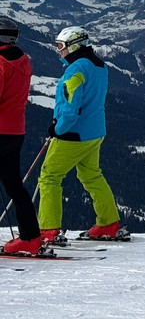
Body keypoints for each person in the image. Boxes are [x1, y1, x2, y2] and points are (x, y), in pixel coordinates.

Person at [37, 27, 122, 241]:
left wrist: (58, 128)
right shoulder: (99, 66)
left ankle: (48, 230)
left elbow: (70, 105)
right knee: (92, 175)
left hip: (72, 134)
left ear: (73, 45)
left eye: (60, 46)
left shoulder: (76, 70)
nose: (59, 51)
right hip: (95, 132)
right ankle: (108, 223)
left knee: (49, 177)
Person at [0, 17, 43, 255]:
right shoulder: (23, 60)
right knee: (15, 186)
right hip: (15, 131)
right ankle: (30, 237)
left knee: (14, 185)